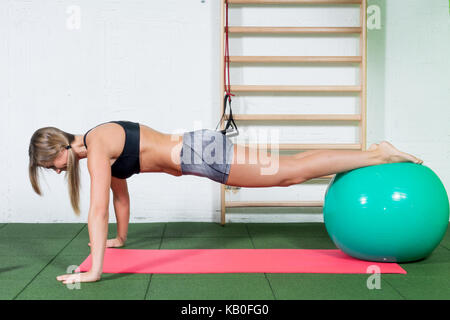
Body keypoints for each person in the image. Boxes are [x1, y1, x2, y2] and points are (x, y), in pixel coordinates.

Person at [28, 120, 423, 284]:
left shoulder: (96, 147)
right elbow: (119, 197)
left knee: (291, 173)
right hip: (201, 149)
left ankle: (377, 155)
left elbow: (97, 210)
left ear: (59, 149)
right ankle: (371, 152)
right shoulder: (100, 141)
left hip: (201, 155)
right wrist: (120, 240)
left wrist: (95, 271)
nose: (56, 171)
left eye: (51, 165)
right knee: (292, 168)